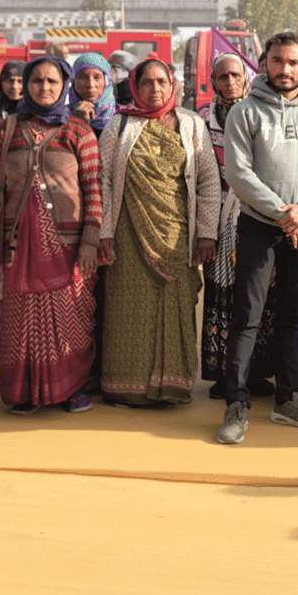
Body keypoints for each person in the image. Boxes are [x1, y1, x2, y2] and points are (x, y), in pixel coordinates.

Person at [215, 33, 298, 443]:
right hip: (259, 225)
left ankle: (288, 400)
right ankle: (236, 405)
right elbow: (238, 174)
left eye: (292, 62)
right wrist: (283, 213)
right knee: (247, 316)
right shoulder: (245, 112)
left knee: (293, 315)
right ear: (264, 63)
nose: (284, 70)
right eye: (276, 61)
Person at [0, 56, 102, 416]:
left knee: (71, 318)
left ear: (64, 86)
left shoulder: (78, 131)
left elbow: (94, 190)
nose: (44, 87)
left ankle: (72, 387)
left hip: (68, 246)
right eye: (36, 81)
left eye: (52, 81)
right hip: (17, 245)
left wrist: (90, 241)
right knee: (21, 322)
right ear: (26, 86)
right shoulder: (5, 130)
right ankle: (26, 391)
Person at [96, 59, 219, 407]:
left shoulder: (191, 123)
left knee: (176, 305)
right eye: (147, 82)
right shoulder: (119, 125)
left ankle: (173, 387)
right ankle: (126, 387)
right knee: (128, 310)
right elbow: (104, 178)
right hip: (128, 233)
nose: (155, 89)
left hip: (178, 233)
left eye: (161, 81)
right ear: (135, 87)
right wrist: (104, 231)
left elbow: (209, 180)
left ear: (172, 84)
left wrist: (206, 233)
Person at [199, 53, 278, 399]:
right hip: (217, 221)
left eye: (235, 75)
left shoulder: (261, 112)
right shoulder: (203, 120)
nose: (230, 82)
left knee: (257, 295)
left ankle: (255, 372)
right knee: (221, 295)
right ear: (213, 82)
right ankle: (223, 374)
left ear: (246, 78)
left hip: (256, 216)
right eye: (222, 77)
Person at [69, 52, 118, 138]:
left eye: (97, 77)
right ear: (73, 81)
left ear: (107, 81)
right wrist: (76, 123)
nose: (90, 85)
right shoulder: (60, 117)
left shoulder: (121, 118)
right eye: (82, 77)